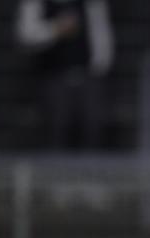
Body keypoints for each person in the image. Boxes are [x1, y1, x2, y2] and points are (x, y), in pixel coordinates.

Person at [15, 0, 114, 150]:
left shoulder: (91, 4)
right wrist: (56, 29)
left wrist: (99, 67)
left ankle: (92, 170)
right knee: (56, 129)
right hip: (53, 76)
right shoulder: (37, 3)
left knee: (93, 128)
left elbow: (101, 33)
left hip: (88, 75)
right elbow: (26, 36)